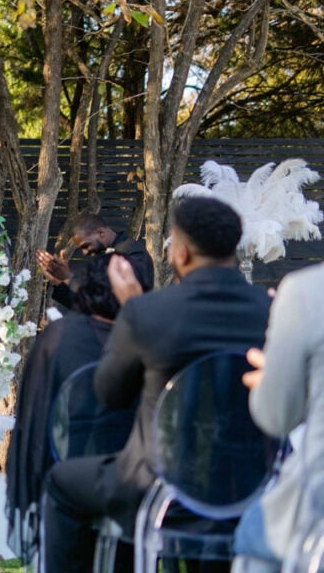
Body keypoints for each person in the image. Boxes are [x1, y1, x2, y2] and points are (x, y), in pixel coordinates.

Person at [41, 197, 272, 572]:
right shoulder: (271, 311)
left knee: (62, 482)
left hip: (154, 487)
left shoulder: (148, 312)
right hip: (244, 486)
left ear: (179, 253)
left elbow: (109, 393)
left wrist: (132, 314)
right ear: (233, 247)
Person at [5, 252, 134, 563]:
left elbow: (36, 414)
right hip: (140, 476)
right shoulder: (148, 336)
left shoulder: (60, 337)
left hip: (75, 467)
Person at [231, 261, 324, 570]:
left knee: (258, 536)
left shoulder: (305, 291)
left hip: (314, 517)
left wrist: (276, 373)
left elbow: (275, 417)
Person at [37, 214, 155, 309]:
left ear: (101, 233)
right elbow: (91, 306)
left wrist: (69, 279)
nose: (85, 253)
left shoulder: (133, 252)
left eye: (86, 246)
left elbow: (114, 302)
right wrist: (60, 283)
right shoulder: (101, 256)